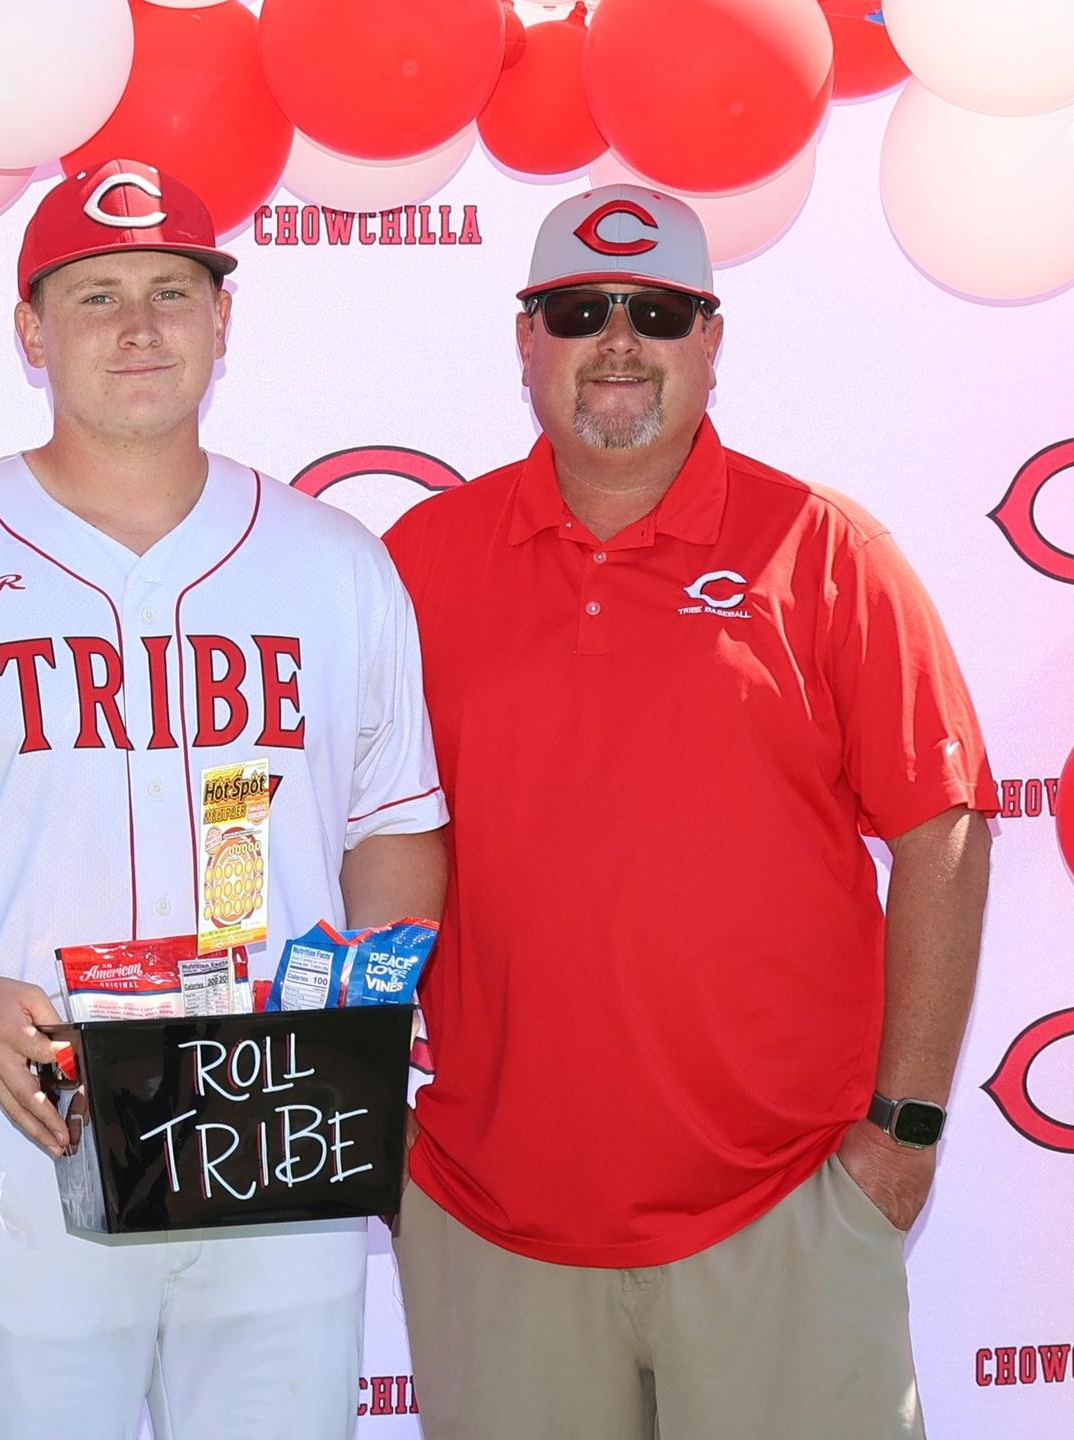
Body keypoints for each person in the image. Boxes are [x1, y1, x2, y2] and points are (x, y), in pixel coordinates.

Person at [0, 159, 448, 1440]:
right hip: (31, 1115)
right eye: (95, 296)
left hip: (272, 1121)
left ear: (222, 321)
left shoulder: (334, 561)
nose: (139, 326)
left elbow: (397, 825)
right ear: (31, 330)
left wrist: (360, 1003)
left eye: (172, 291)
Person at [382, 185, 996, 1440]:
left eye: (658, 312)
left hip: (785, 1211)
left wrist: (905, 1133)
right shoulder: (421, 559)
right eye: (580, 309)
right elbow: (354, 839)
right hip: (493, 1222)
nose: (619, 339)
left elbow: (945, 827)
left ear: (711, 340)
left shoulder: (821, 550)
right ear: (524, 338)